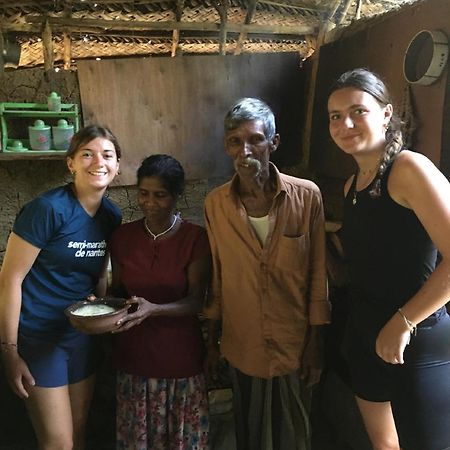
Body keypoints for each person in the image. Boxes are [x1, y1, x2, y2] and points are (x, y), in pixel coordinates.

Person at [327, 68, 450, 450]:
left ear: (385, 113)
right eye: (334, 116)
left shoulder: (409, 169)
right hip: (366, 335)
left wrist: (403, 321)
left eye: (357, 111)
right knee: (384, 446)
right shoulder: (352, 187)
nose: (345, 123)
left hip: (416, 339)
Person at [203, 97, 330, 450]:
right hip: (242, 344)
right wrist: (211, 342)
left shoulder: (306, 197)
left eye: (255, 139)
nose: (246, 150)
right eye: (235, 141)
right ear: (227, 147)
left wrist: (316, 345)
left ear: (273, 142)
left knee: (294, 434)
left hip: (294, 344)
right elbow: (218, 275)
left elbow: (318, 274)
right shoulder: (216, 204)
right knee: (250, 432)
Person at [0, 125, 122, 450]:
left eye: (107, 155)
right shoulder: (47, 210)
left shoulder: (111, 216)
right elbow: (10, 279)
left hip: (81, 336)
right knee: (58, 443)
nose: (98, 161)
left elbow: (97, 277)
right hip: (40, 337)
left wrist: (104, 305)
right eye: (87, 154)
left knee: (79, 433)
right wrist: (9, 351)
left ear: (118, 165)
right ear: (71, 163)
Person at [108, 154, 210, 450]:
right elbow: (118, 291)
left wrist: (154, 309)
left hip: (180, 359)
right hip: (134, 357)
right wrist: (101, 304)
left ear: (177, 196)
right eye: (143, 193)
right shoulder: (122, 237)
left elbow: (196, 301)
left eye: (160, 195)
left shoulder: (195, 238)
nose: (149, 202)